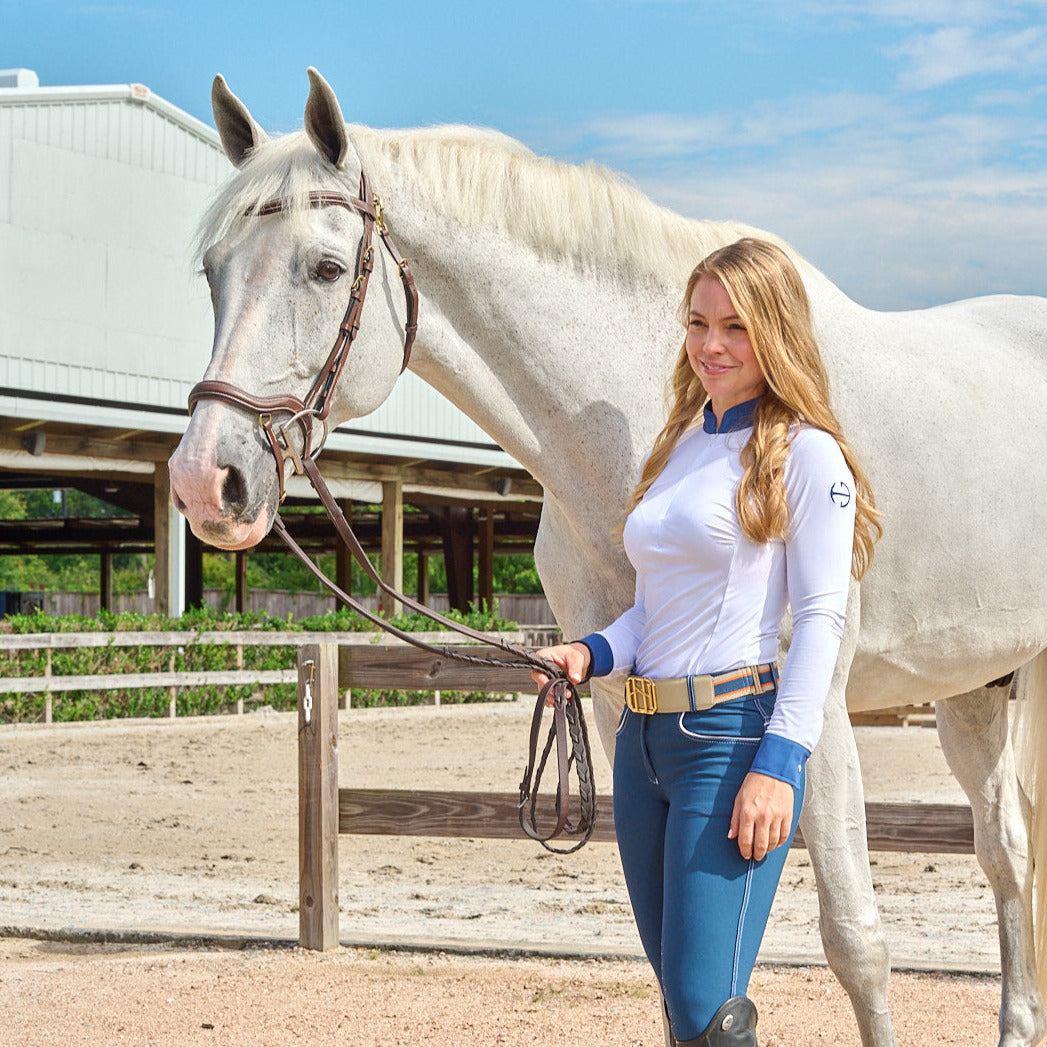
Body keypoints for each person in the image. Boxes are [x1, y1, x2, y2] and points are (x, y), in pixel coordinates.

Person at [533, 238, 880, 1046]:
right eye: (698, 322)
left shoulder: (807, 454)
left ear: (776, 332)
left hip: (728, 744)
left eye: (734, 325)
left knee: (703, 1009)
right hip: (642, 743)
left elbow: (822, 620)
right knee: (680, 1002)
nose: (711, 343)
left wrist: (780, 763)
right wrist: (591, 652)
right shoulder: (682, 445)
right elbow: (654, 611)